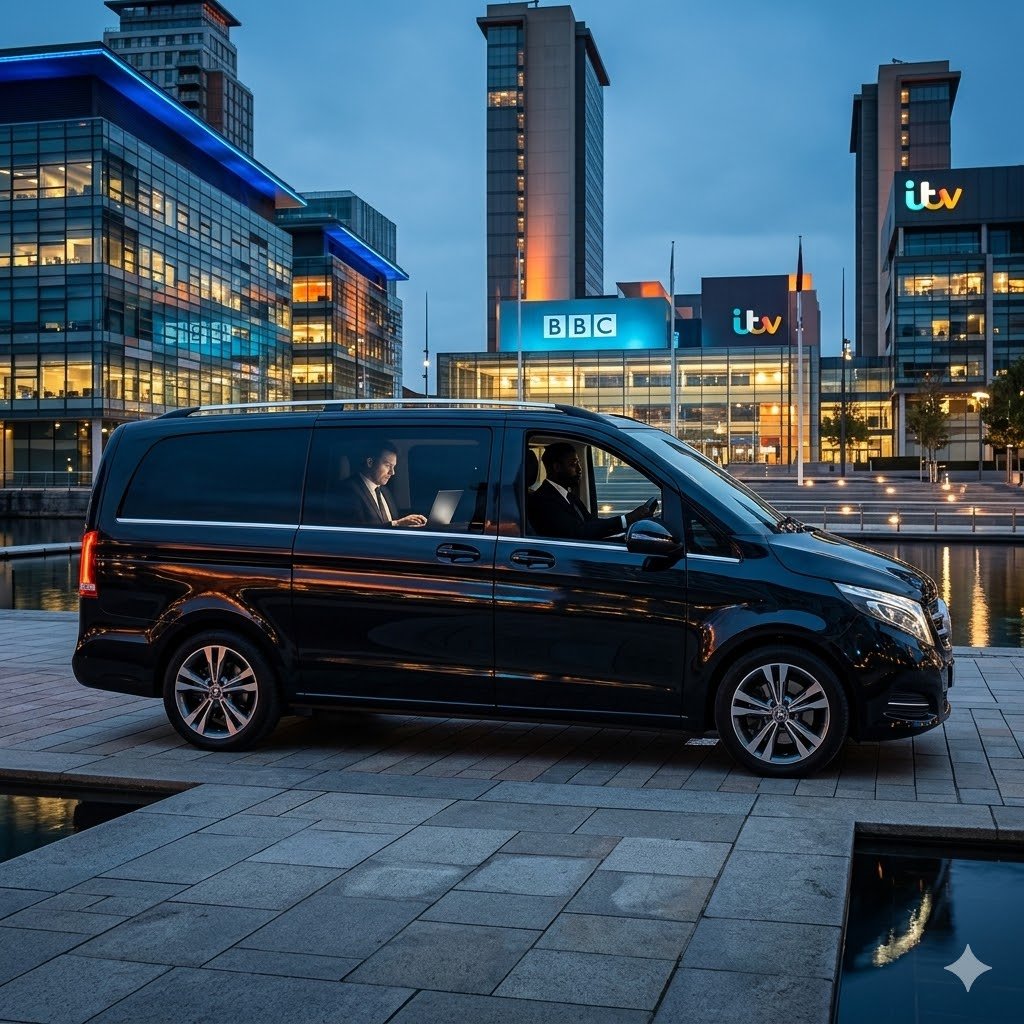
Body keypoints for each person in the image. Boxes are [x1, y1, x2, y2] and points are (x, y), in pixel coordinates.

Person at [527, 441, 658, 540]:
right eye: (573, 464)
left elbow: (591, 522)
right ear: (557, 467)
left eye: (578, 463)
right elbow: (579, 532)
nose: (579, 469)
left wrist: (627, 523)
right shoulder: (543, 500)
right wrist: (626, 519)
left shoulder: (569, 496)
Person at [337, 442, 427, 528]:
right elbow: (359, 530)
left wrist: (410, 520)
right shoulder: (348, 490)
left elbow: (392, 520)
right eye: (388, 465)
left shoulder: (384, 490)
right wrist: (397, 524)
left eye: (393, 467)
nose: (392, 472)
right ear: (370, 462)